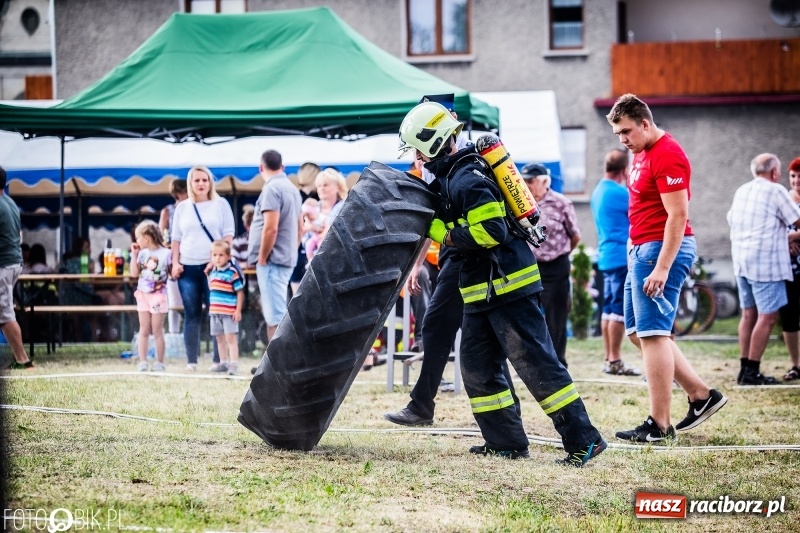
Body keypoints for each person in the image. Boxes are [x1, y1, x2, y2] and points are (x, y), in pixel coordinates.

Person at [395, 101, 606, 466]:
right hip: (481, 290)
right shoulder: (451, 178)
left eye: (417, 149)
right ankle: (506, 441)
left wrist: (443, 234)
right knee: (477, 365)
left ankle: (584, 440)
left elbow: (490, 231)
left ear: (431, 144)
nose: (416, 158)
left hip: (508, 287)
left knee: (537, 364)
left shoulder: (467, 178)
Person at [606, 94, 727, 442]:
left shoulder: (668, 154)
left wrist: (661, 267)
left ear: (645, 123)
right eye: (618, 135)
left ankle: (659, 425)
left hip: (660, 252)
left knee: (654, 334)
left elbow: (678, 215)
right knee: (635, 331)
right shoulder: (641, 152)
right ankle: (701, 395)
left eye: (626, 131)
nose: (623, 140)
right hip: (641, 250)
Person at [385, 93, 508, 426]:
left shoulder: (456, 164)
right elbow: (434, 217)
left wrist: (443, 243)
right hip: (461, 252)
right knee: (458, 328)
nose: (416, 156)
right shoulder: (452, 156)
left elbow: (440, 222)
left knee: (448, 327)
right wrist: (417, 264)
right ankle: (424, 405)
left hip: (468, 252)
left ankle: (423, 406)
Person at [727, 153, 800, 385]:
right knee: (767, 316)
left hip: (741, 260)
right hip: (766, 263)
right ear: (775, 172)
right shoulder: (776, 190)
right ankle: (752, 372)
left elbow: (731, 220)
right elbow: (797, 220)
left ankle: (743, 369)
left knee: (748, 314)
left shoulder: (742, 190)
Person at [171, 165, 235, 372]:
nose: (201, 184)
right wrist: (175, 263)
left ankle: (219, 361)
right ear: (190, 184)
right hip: (188, 267)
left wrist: (217, 261)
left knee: (216, 313)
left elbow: (228, 236)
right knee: (191, 313)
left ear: (210, 182)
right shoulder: (182, 207)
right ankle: (192, 361)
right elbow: (176, 239)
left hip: (215, 269)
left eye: (204, 180)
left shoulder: (221, 204)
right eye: (196, 180)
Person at [522, 162, 580, 368]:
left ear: (544, 181)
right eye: (525, 181)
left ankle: (557, 363)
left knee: (556, 318)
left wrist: (561, 254)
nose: (527, 185)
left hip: (556, 266)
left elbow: (575, 236)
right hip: (531, 266)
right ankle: (535, 361)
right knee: (530, 315)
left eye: (531, 181)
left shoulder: (561, 203)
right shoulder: (521, 203)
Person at [589, 149, 641, 376]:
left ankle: (609, 358)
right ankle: (616, 360)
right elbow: (640, 212)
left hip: (606, 256)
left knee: (608, 310)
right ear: (624, 169)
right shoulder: (621, 193)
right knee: (619, 311)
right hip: (622, 256)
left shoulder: (598, 190)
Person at [247, 150, 302, 346]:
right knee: (279, 312)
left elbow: (270, 228)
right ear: (283, 167)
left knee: (275, 317)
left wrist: (262, 257)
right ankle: (279, 365)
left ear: (261, 167)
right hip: (286, 257)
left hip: (272, 260)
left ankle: (277, 368)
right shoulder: (292, 189)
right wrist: (292, 250)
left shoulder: (272, 189)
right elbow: (300, 228)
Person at [0, 166, 34, 369]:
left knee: (4, 314)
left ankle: (23, 360)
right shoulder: (10, 202)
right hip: (13, 262)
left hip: (3, 264)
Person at [130, 220, 171, 372]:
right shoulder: (141, 254)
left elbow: (172, 272)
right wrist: (134, 256)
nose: (137, 241)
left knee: (157, 330)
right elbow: (134, 274)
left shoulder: (166, 253)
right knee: (144, 329)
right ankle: (143, 361)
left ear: (146, 237)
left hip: (158, 295)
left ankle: (159, 362)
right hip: (143, 295)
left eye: (138, 238)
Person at [208, 240, 245, 376]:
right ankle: (223, 363)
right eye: (215, 255)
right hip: (215, 312)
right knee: (219, 338)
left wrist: (237, 310)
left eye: (221, 255)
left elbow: (239, 292)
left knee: (230, 338)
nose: (217, 258)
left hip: (228, 312)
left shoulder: (232, 273)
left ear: (228, 256)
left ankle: (233, 364)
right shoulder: (212, 272)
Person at [160, 178, 188, 335]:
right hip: (174, 256)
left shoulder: (191, 208)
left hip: (189, 255)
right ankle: (174, 334)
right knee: (174, 299)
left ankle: (179, 333)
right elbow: (161, 236)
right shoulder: (168, 211)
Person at [781, 157, 800, 382]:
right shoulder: (784, 199)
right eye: (793, 177)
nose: (796, 181)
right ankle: (796, 364)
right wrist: (787, 240)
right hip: (788, 267)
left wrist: (792, 236)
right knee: (790, 316)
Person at [314, 167, 348, 244]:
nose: (321, 188)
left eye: (325, 185)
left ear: (338, 187)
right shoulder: (313, 207)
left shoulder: (344, 208)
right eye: (319, 186)